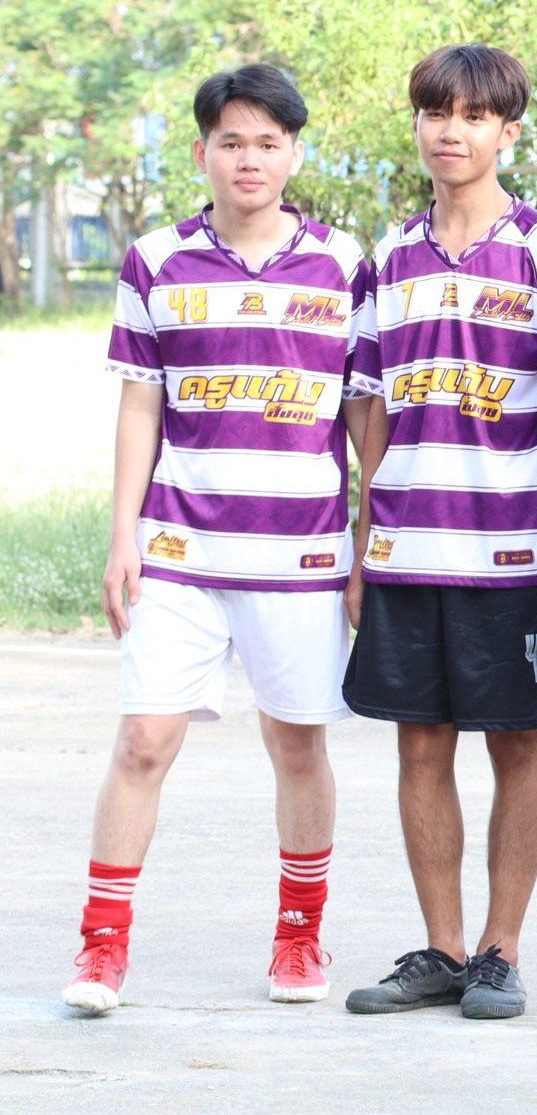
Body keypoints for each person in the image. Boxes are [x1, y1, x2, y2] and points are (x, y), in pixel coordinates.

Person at [67, 64, 374, 1013]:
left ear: (295, 154)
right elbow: (140, 402)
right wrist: (123, 535)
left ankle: (299, 941)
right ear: (202, 150)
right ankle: (101, 950)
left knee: (297, 746)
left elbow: (364, 414)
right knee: (143, 740)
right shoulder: (154, 260)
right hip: (180, 551)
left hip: (303, 555)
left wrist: (369, 538)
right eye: (232, 141)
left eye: (268, 142)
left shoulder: (344, 264)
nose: (250, 159)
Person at [340, 44, 537, 1021]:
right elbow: (366, 405)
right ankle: (440, 948)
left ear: (508, 130)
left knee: (516, 746)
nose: (452, 131)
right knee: (419, 748)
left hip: (513, 551)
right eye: (436, 112)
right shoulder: (386, 258)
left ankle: (498, 950)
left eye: (474, 115)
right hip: (406, 549)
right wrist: (365, 542)